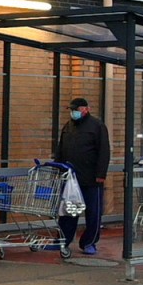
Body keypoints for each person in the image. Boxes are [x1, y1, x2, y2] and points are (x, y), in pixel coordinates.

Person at [53, 97, 111, 256]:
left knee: (93, 212)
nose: (73, 113)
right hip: (71, 179)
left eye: (76, 110)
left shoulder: (97, 126)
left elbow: (104, 151)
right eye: (72, 110)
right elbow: (60, 148)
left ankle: (89, 242)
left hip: (91, 179)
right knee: (69, 211)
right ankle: (64, 239)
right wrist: (58, 167)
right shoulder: (68, 127)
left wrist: (100, 174)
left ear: (86, 109)